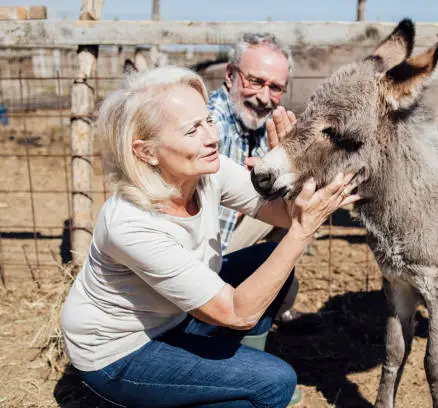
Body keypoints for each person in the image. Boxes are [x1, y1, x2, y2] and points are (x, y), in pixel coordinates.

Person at [60, 66, 360, 408]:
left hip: (172, 318)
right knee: (274, 383)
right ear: (146, 152)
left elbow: (285, 214)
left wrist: (291, 167)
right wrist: (304, 229)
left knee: (262, 263)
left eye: (208, 121)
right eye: (192, 130)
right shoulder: (131, 224)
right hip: (118, 355)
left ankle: (226, 377)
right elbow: (236, 312)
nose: (211, 137)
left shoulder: (205, 173)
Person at [208, 33, 319, 332]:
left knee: (300, 197)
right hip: (199, 254)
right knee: (300, 204)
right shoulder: (211, 124)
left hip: (228, 238)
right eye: (255, 81)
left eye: (275, 87)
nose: (264, 96)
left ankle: (270, 301)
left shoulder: (259, 123)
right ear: (230, 75)